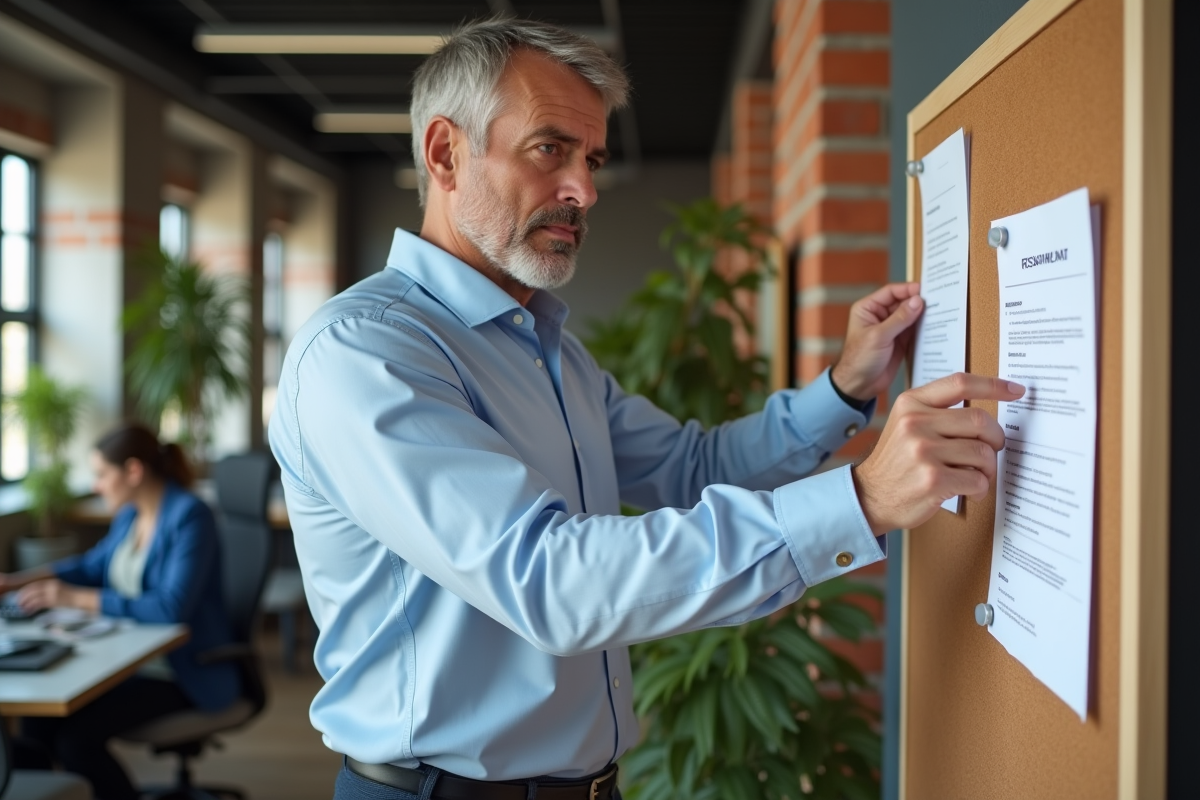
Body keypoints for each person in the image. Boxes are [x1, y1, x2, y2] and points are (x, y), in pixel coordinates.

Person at [268, 18, 1024, 800]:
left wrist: (845, 387)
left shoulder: (552, 353)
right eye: (550, 149)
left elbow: (693, 467)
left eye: (591, 160)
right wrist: (860, 500)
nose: (584, 191)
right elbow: (549, 580)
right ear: (444, 153)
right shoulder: (364, 354)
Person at [0, 423, 240, 800]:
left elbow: (169, 607)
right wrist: (15, 582)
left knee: (77, 741)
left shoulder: (191, 516)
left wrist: (75, 599)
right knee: (37, 725)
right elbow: (90, 567)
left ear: (133, 470)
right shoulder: (130, 516)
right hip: (129, 661)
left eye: (101, 474)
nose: (96, 486)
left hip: (179, 670)